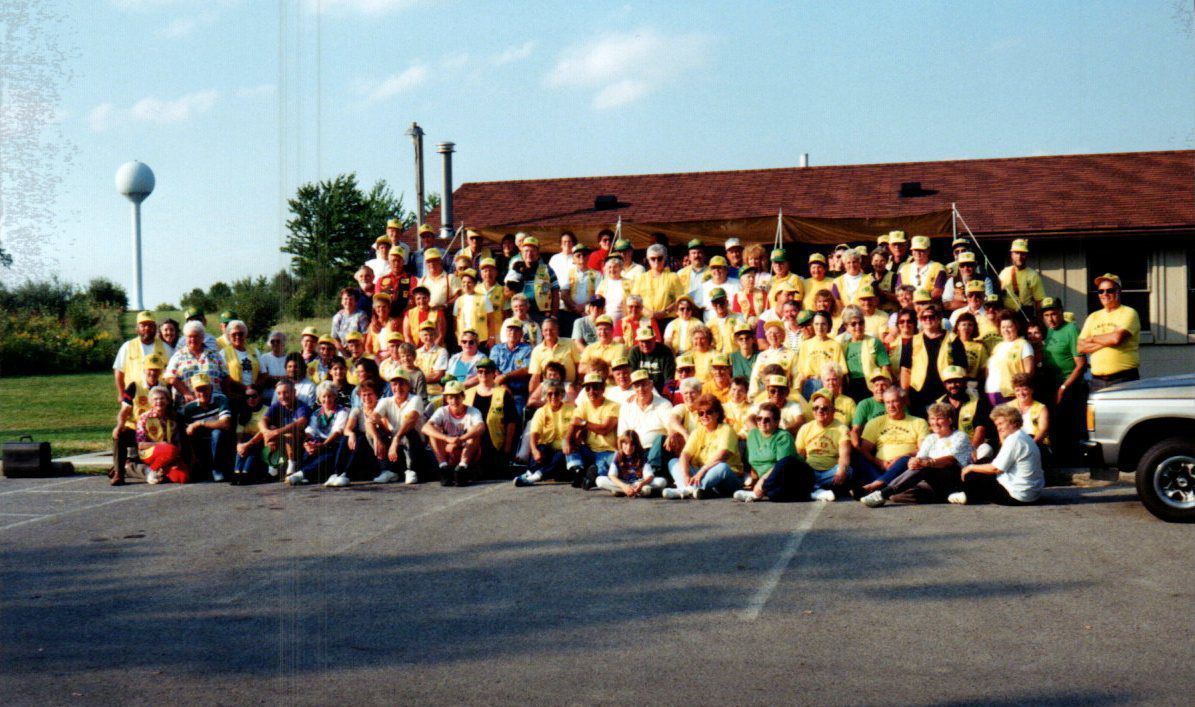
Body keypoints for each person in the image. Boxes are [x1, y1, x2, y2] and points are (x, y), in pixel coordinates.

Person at [860, 401, 972, 507]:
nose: (935, 422)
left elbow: (950, 460)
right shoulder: (930, 438)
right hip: (932, 479)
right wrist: (913, 462)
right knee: (896, 496)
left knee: (924, 466)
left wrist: (928, 462)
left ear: (950, 420)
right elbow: (920, 458)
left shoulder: (960, 436)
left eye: (939, 418)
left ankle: (881, 494)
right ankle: (946, 496)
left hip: (952, 477)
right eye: (932, 419)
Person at [951, 404, 1044, 505]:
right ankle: (971, 493)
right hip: (1032, 494)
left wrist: (970, 467)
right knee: (984, 462)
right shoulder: (1023, 436)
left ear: (1014, 423)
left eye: (1001, 424)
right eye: (997, 425)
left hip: (1016, 496)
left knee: (972, 474)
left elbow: (996, 469)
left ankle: (967, 495)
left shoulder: (1014, 440)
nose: (998, 428)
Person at [663, 394, 743, 499]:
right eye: (701, 413)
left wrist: (701, 472)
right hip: (702, 473)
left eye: (709, 412)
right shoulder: (697, 432)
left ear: (717, 414)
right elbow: (685, 455)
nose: (704, 416)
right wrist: (686, 475)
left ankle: (688, 489)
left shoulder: (726, 430)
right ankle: (687, 488)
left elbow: (722, 455)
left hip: (726, 477)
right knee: (673, 462)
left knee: (722, 466)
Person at [857, 386, 931, 493]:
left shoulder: (918, 422)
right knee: (861, 459)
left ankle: (876, 486)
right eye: (887, 402)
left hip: (905, 467)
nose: (891, 406)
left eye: (894, 401)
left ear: (904, 402)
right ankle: (886, 486)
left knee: (906, 459)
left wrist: (901, 457)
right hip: (880, 467)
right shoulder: (875, 423)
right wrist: (880, 463)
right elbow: (865, 450)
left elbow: (922, 449)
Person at [1078, 273, 1141, 393]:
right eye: (1101, 291)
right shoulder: (1093, 317)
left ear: (1118, 291)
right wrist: (1107, 341)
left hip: (1123, 379)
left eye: (1110, 290)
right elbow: (1080, 347)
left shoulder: (1129, 312)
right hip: (1097, 381)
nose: (1105, 294)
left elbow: (1116, 338)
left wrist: (1092, 338)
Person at [111, 352, 168, 485]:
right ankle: (119, 473)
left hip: (158, 431)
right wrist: (119, 426)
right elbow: (124, 410)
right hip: (136, 429)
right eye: (150, 369)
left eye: (156, 369)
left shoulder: (165, 387)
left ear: (160, 371)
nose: (153, 373)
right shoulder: (134, 386)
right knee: (120, 435)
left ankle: (131, 467)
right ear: (145, 369)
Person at [898, 304, 967, 413]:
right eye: (924, 317)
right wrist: (905, 394)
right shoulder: (913, 341)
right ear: (920, 320)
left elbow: (962, 369)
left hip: (945, 392)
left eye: (931, 316)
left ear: (939, 318)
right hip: (918, 394)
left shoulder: (953, 339)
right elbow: (905, 370)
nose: (928, 320)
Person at [284, 381, 349, 486]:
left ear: (335, 397)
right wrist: (307, 443)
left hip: (333, 443)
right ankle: (307, 475)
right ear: (319, 398)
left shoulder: (342, 411)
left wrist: (323, 445)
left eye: (330, 396)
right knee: (309, 451)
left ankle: (301, 474)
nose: (327, 399)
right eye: (324, 396)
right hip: (318, 442)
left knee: (328, 456)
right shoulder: (316, 413)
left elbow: (337, 431)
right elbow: (311, 431)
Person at [422, 381, 485, 486]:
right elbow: (425, 428)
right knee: (433, 429)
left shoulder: (473, 411)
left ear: (463, 397)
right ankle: (443, 467)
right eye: (450, 398)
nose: (454, 401)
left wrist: (461, 439)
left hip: (466, 448)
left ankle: (462, 467)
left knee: (474, 431)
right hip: (447, 449)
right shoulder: (442, 411)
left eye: (457, 397)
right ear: (446, 399)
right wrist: (447, 439)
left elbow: (481, 427)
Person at [795, 389, 853, 501]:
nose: (819, 411)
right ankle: (820, 488)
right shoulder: (805, 428)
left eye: (824, 408)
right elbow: (799, 455)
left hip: (831, 472)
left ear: (833, 410)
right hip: (810, 471)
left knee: (847, 470)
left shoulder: (842, 429)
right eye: (815, 408)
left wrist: (841, 470)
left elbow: (844, 456)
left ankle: (813, 488)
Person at [464, 357, 519, 475]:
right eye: (480, 371)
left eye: (487, 371)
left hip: (494, 443)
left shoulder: (503, 393)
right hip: (471, 441)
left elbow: (511, 422)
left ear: (494, 373)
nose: (483, 374)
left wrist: (507, 447)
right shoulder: (467, 394)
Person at [566, 372, 621, 489]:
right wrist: (567, 442)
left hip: (608, 450)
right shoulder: (583, 405)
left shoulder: (613, 406)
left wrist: (584, 423)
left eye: (595, 387)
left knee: (611, 465)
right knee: (568, 442)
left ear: (602, 389)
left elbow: (605, 429)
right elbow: (573, 423)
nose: (591, 391)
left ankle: (591, 477)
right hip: (589, 449)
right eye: (588, 388)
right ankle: (578, 471)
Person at [514, 380, 575, 486]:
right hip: (546, 449)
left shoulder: (571, 410)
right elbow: (534, 433)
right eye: (550, 394)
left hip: (563, 449)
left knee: (563, 455)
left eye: (557, 393)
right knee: (540, 449)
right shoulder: (540, 412)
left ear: (562, 394)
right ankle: (532, 472)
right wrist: (534, 450)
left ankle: (534, 476)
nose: (553, 397)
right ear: (545, 396)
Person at [178, 373, 234, 482]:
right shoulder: (189, 408)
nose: (202, 393)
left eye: (205, 389)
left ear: (211, 388)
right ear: (194, 392)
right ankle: (198, 466)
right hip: (201, 437)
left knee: (216, 433)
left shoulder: (220, 399)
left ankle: (217, 468)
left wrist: (200, 423)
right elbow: (188, 432)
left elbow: (225, 424)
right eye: (199, 390)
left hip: (221, 437)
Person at [256, 378, 312, 480]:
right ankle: (273, 467)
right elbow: (262, 420)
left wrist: (277, 432)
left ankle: (291, 468)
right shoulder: (277, 405)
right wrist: (266, 432)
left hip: (301, 443)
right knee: (269, 429)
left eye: (286, 392)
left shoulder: (301, 406)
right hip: (282, 443)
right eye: (279, 393)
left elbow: (302, 422)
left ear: (294, 392)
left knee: (288, 433)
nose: (282, 396)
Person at [112, 310, 172, 402]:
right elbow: (119, 371)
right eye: (143, 325)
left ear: (155, 327)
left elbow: (173, 373)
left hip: (159, 400)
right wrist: (121, 393)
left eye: (150, 325)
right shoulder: (127, 346)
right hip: (134, 397)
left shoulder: (166, 348)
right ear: (137, 328)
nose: (147, 328)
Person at [938, 365, 994, 462]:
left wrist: (970, 449)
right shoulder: (938, 404)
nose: (953, 385)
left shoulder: (977, 401)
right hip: (948, 446)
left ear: (964, 382)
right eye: (949, 382)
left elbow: (980, 429)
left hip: (973, 445)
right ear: (944, 384)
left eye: (957, 381)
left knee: (985, 450)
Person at [135, 386, 190, 484]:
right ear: (150, 402)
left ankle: (162, 470)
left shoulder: (173, 417)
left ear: (168, 401)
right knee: (169, 449)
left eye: (162, 398)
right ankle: (151, 471)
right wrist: (160, 445)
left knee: (182, 478)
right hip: (149, 452)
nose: (159, 402)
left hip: (171, 454)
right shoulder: (144, 418)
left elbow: (177, 441)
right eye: (155, 399)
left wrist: (176, 458)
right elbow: (141, 445)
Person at [164, 321, 230, 402]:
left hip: (214, 401)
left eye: (196, 336)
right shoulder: (178, 356)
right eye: (190, 336)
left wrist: (225, 397)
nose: (193, 339)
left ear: (202, 337)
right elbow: (169, 376)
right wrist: (186, 393)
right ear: (185, 338)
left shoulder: (214, 354)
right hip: (188, 402)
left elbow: (226, 376)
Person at [595, 431, 668, 497]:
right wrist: (624, 486)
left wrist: (642, 484)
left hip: (637, 483)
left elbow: (650, 476)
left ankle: (623, 491)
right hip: (622, 482)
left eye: (632, 444)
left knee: (662, 481)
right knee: (599, 480)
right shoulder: (618, 455)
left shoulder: (641, 456)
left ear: (636, 445)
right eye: (625, 444)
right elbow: (612, 475)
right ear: (621, 444)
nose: (628, 447)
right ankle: (636, 491)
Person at [984, 313, 1035, 406]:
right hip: (991, 393)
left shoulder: (1023, 345)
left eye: (1009, 327)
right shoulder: (998, 347)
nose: (1006, 330)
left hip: (1011, 394)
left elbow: (1029, 372)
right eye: (1003, 327)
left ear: (1017, 327)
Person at [509, 236, 560, 322]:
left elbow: (555, 293)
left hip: (542, 315)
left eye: (532, 251)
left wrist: (554, 316)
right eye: (526, 251)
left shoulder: (547, 270)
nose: (529, 254)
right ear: (521, 253)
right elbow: (507, 292)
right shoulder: (516, 269)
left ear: (538, 253)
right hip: (521, 314)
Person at [796, 311, 846, 398]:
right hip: (810, 384)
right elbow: (801, 372)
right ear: (813, 325)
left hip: (828, 384)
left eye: (823, 324)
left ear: (828, 325)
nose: (820, 327)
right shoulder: (805, 345)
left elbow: (841, 373)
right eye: (816, 324)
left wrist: (839, 394)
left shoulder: (835, 345)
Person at [632, 243, 685, 323]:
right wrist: (648, 312)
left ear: (665, 258)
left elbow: (680, 299)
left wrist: (665, 312)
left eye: (660, 258)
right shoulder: (641, 278)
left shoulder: (673, 277)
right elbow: (634, 299)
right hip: (646, 320)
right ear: (648, 259)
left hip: (668, 319)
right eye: (653, 259)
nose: (656, 261)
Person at [491, 318, 534, 413]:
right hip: (499, 388)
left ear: (521, 334)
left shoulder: (527, 349)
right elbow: (492, 368)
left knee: (517, 416)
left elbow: (526, 369)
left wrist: (505, 376)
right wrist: (504, 386)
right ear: (506, 332)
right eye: (510, 330)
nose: (513, 333)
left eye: (516, 330)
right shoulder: (497, 349)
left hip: (518, 392)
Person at [998, 239, 1045, 317]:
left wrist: (1038, 319)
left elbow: (1039, 300)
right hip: (1007, 314)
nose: (1019, 257)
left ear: (1027, 255)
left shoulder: (1033, 275)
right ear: (1012, 255)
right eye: (1016, 253)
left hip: (1026, 314)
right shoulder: (1004, 273)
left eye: (1022, 253)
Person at [452, 268, 497, 348]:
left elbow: (491, 320)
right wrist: (457, 336)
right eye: (464, 282)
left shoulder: (484, 299)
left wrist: (491, 337)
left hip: (481, 340)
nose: (466, 285)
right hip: (464, 341)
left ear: (475, 284)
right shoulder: (458, 301)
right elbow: (455, 322)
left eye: (469, 282)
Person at [894, 236, 946, 301]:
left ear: (928, 250)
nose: (918, 253)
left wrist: (921, 301)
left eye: (921, 250)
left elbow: (938, 292)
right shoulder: (904, 269)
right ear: (912, 251)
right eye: (915, 250)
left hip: (929, 304)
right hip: (908, 304)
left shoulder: (938, 268)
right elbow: (898, 291)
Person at [561, 244, 598, 333]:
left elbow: (598, 295)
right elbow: (564, 294)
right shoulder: (567, 273)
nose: (582, 258)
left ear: (588, 257)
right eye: (578, 255)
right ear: (573, 258)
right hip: (569, 313)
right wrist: (575, 307)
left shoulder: (597, 275)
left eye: (584, 255)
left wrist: (584, 307)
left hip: (588, 314)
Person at [1010, 372, 1050, 452]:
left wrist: (1029, 446)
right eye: (1017, 390)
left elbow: (1042, 431)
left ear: (1031, 390)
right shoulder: (1009, 407)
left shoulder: (1041, 408)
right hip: (1014, 445)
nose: (1021, 393)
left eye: (1024, 389)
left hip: (1036, 444)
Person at [414, 320, 449, 401]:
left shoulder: (442, 351)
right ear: (420, 336)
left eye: (431, 335)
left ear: (435, 335)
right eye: (425, 335)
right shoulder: (416, 352)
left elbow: (438, 376)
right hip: (417, 391)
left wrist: (419, 380)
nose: (429, 338)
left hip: (435, 392)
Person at [952, 312, 990, 383]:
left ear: (974, 328)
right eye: (964, 324)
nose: (966, 328)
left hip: (972, 383)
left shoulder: (979, 347)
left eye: (970, 325)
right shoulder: (952, 344)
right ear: (958, 326)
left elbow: (984, 369)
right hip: (954, 383)